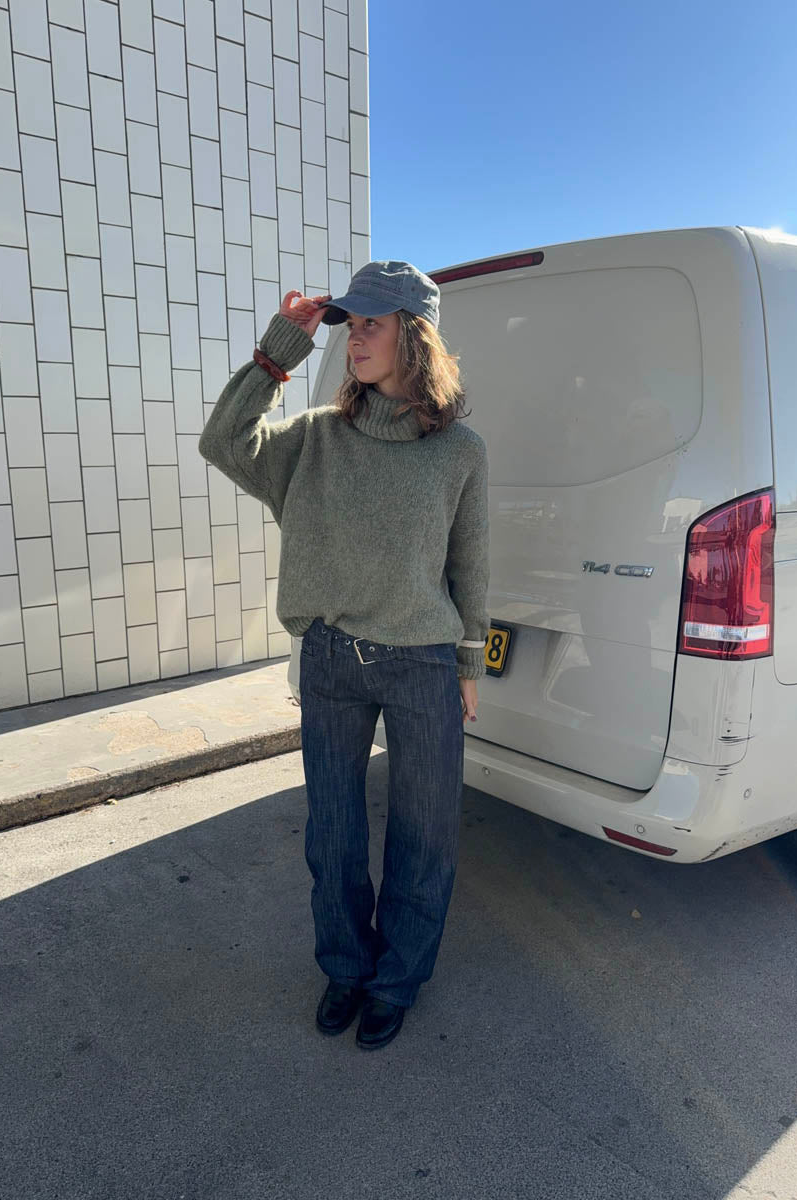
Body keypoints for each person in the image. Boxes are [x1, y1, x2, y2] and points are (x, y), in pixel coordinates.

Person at [198, 260, 490, 1050]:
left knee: (424, 834)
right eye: (349, 325)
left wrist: (468, 666)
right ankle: (346, 968)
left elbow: (470, 564)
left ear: (412, 336)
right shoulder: (314, 440)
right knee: (333, 833)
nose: (354, 340)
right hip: (332, 657)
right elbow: (222, 441)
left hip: (423, 662)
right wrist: (278, 351)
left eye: (370, 325)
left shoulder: (459, 452)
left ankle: (396, 982)